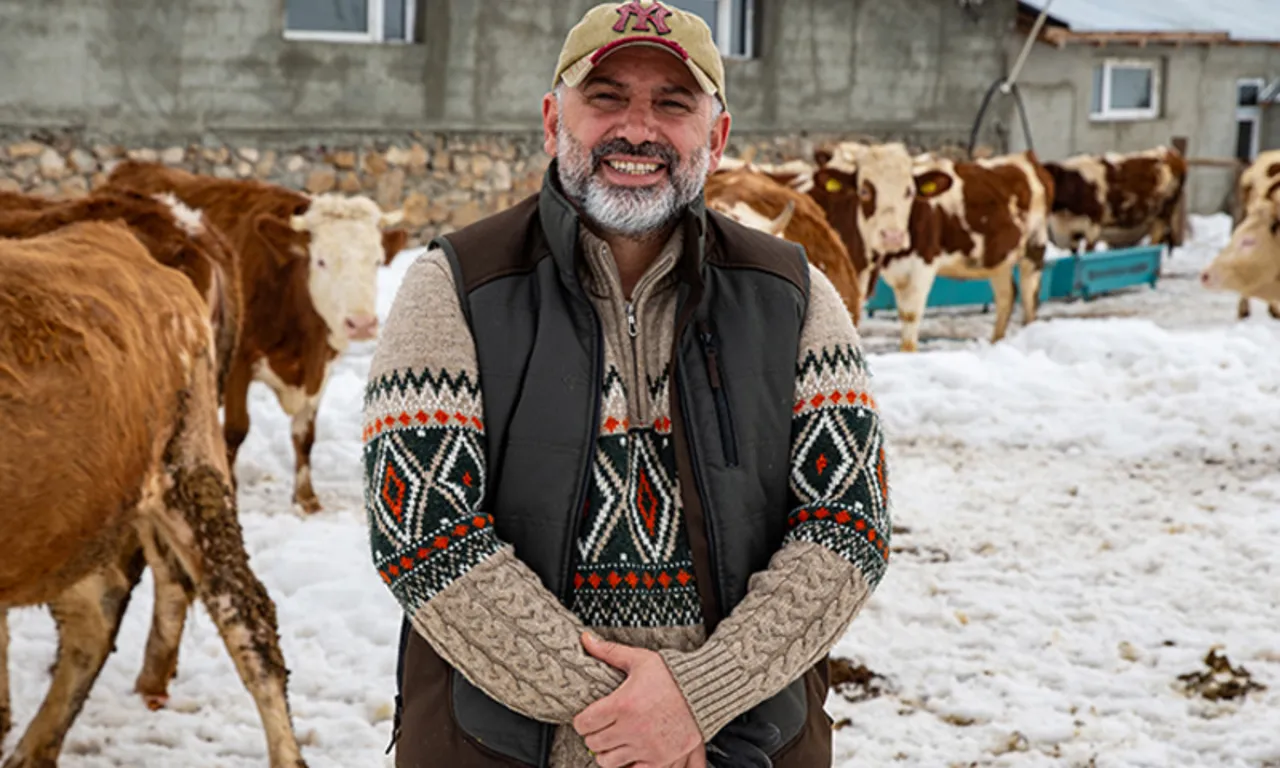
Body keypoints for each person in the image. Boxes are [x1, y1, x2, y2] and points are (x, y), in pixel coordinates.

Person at [361, 2, 892, 766]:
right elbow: (424, 533)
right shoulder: (457, 288)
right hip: (497, 746)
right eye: (606, 96)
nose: (637, 129)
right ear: (553, 120)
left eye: (672, 104)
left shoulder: (793, 295)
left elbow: (850, 525)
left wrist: (697, 699)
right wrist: (624, 719)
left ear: (716, 136)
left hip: (741, 744)